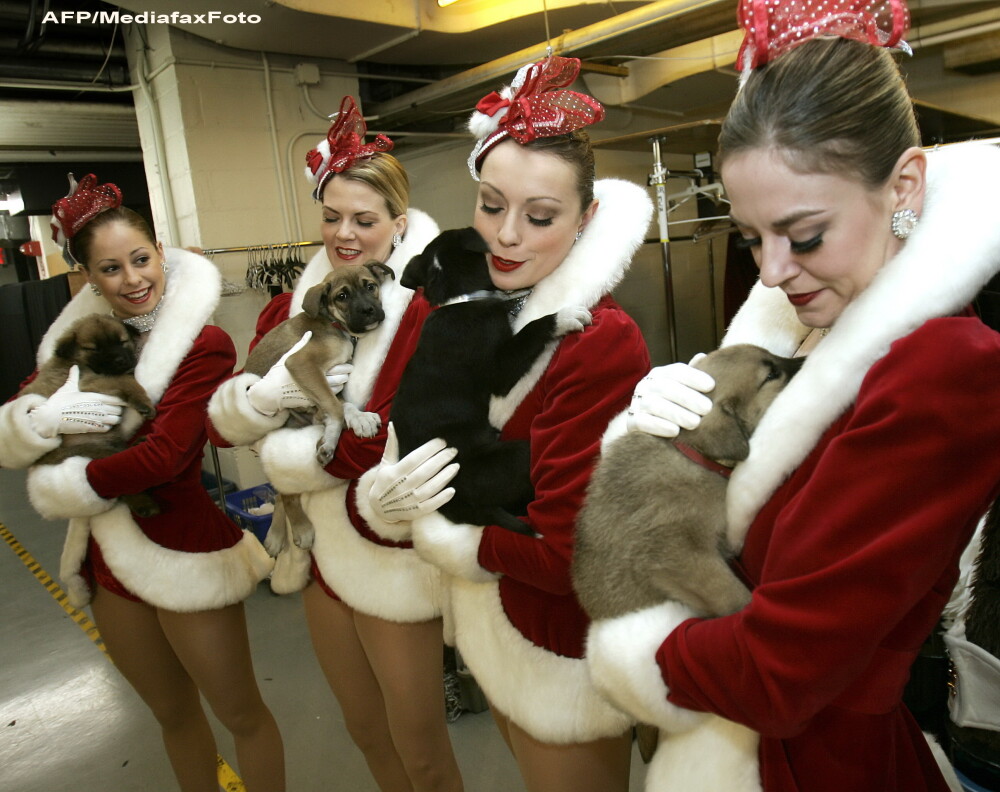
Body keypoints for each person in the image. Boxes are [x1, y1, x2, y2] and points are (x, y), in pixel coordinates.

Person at [580, 1, 1000, 790]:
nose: (772, 271)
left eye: (804, 236)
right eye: (751, 238)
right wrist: (659, 450)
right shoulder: (806, 325)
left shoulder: (946, 365)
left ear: (905, 182)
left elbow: (782, 669)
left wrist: (633, 648)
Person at [353, 56, 654, 792]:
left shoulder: (598, 339)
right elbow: (414, 428)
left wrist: (450, 536)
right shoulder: (463, 305)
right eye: (491, 205)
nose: (506, 236)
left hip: (563, 648)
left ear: (584, 221)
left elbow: (561, 552)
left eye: (541, 216)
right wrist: (385, 493)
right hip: (493, 622)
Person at [206, 96, 458, 792]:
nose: (344, 234)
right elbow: (223, 424)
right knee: (365, 732)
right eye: (331, 216)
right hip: (322, 554)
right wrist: (258, 402)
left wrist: (287, 447)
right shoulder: (284, 310)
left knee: (425, 753)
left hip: (390, 555)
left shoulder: (424, 314)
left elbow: (368, 452)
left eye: (365, 220)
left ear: (398, 225)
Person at [0, 174, 285, 792]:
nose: (132, 279)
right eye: (110, 268)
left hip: (184, 547)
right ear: (88, 277)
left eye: (141, 259)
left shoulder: (201, 342)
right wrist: (36, 419)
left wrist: (71, 476)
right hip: (105, 557)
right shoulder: (80, 341)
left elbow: (164, 455)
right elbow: (21, 422)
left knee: (239, 713)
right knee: (172, 714)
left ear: (160, 253)